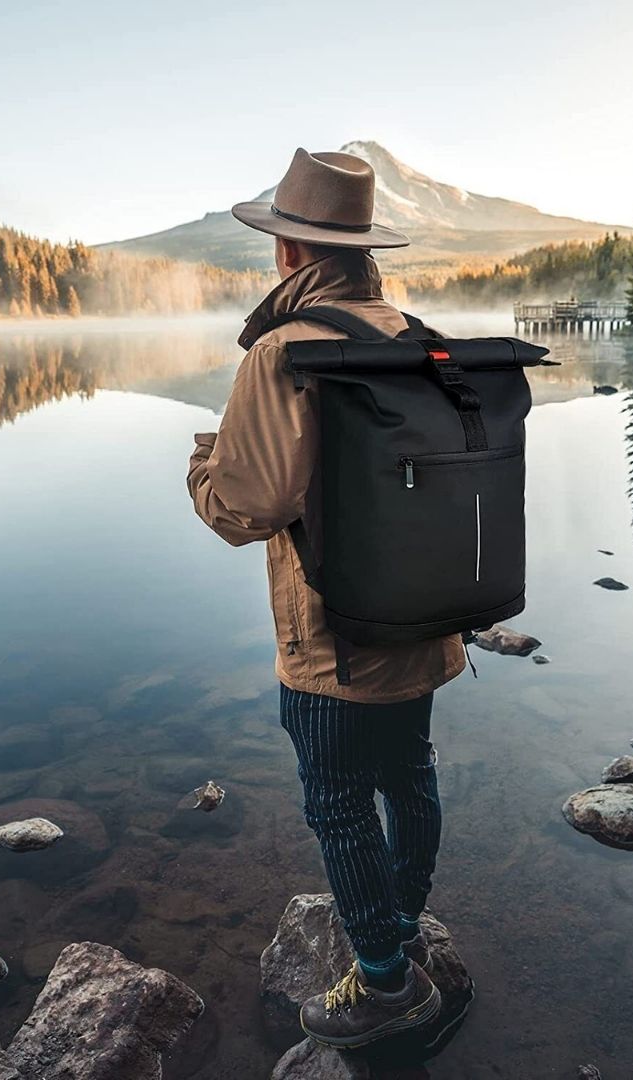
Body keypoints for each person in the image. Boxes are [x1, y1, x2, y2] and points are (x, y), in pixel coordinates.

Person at [186, 147, 465, 1047]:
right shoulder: (416, 334)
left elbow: (247, 510)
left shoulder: (281, 351)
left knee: (338, 802)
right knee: (408, 774)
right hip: (423, 616)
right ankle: (405, 931)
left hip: (331, 640)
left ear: (290, 255)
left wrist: (202, 468)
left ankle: (385, 982)